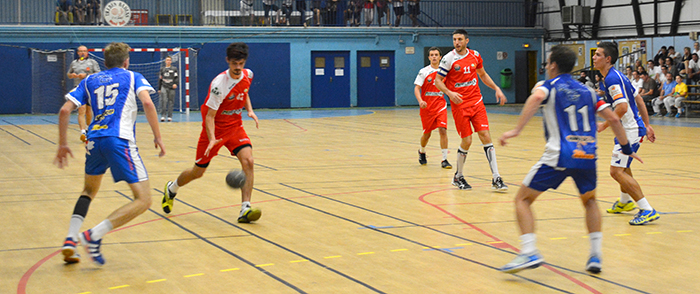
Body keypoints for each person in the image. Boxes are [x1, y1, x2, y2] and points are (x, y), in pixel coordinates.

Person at [498, 45, 640, 274]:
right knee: (590, 201)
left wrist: (516, 130)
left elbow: (536, 98)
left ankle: (528, 251)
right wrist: (626, 147)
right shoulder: (588, 91)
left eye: (547, 63)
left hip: (558, 155)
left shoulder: (547, 86)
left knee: (522, 200)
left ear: (553, 65)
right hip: (586, 155)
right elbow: (614, 119)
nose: (546, 67)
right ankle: (595, 255)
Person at [56, 42, 165, 265]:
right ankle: (93, 235)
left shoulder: (89, 80)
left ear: (104, 63)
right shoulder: (133, 76)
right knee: (144, 200)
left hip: (94, 140)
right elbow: (147, 103)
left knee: (88, 191)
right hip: (119, 140)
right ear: (126, 61)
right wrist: (158, 137)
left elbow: (64, 110)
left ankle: (69, 239)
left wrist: (62, 144)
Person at [162, 43, 262, 224]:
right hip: (215, 130)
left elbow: (244, 91)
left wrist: (250, 110)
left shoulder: (248, 75)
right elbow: (209, 116)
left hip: (235, 127)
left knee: (249, 161)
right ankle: (172, 188)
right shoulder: (219, 85)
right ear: (227, 61)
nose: (238, 68)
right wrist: (212, 138)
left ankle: (245, 208)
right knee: (197, 172)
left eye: (240, 63)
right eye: (234, 64)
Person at [593, 41, 660, 225]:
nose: (593, 57)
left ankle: (647, 209)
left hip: (629, 130)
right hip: (631, 128)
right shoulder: (618, 76)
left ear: (608, 59)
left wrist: (604, 125)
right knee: (623, 167)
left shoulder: (612, 79)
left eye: (598, 54)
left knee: (616, 172)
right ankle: (624, 202)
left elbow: (622, 107)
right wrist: (646, 124)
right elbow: (637, 99)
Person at [434, 29, 508, 192]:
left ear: (466, 40)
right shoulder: (448, 59)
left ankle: (496, 177)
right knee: (467, 140)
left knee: (486, 136)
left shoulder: (475, 55)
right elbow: (438, 81)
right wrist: (449, 93)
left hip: (477, 102)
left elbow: (482, 74)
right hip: (460, 105)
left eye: (460, 39)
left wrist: (496, 88)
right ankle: (458, 176)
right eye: (454, 39)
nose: (457, 42)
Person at [414, 47, 451, 169]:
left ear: (440, 57)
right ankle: (422, 151)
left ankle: (444, 159)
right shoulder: (424, 71)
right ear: (429, 57)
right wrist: (420, 100)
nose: (434, 57)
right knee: (427, 134)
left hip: (440, 105)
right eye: (432, 55)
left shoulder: (445, 72)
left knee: (442, 130)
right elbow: (416, 88)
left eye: (436, 55)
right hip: (427, 107)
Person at [67, 45, 101, 142]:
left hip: (90, 88)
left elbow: (98, 73)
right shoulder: (74, 63)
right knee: (81, 110)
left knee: (88, 111)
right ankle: (82, 131)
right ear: (77, 52)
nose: (82, 53)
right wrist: (72, 75)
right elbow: (69, 74)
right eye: (81, 51)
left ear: (87, 52)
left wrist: (86, 75)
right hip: (79, 88)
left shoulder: (92, 62)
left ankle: (88, 128)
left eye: (84, 51)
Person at [158, 56, 179, 122]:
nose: (168, 61)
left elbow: (176, 77)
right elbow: (160, 79)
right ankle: (163, 115)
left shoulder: (174, 69)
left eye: (170, 60)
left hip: (171, 87)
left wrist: (176, 84)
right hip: (164, 86)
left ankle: (169, 116)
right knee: (164, 101)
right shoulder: (162, 69)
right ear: (165, 61)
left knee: (171, 102)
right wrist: (159, 88)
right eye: (167, 60)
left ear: (171, 61)